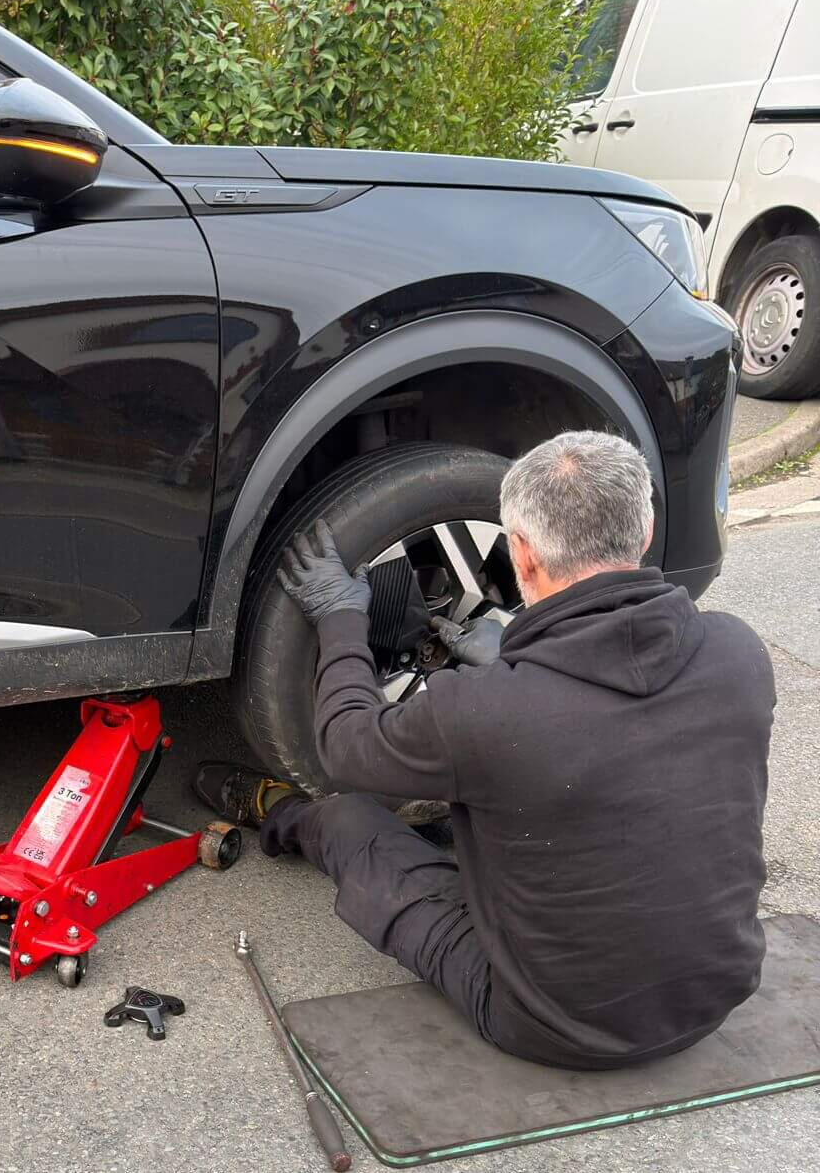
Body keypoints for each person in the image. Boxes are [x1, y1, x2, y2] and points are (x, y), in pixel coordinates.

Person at [194, 431, 774, 1070]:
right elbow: (620, 739)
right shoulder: (739, 653)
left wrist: (339, 617)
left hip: (552, 1024)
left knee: (346, 818)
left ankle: (277, 812)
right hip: (715, 997)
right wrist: (514, 663)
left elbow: (343, 746)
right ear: (644, 533)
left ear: (520, 556)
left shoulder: (484, 710)